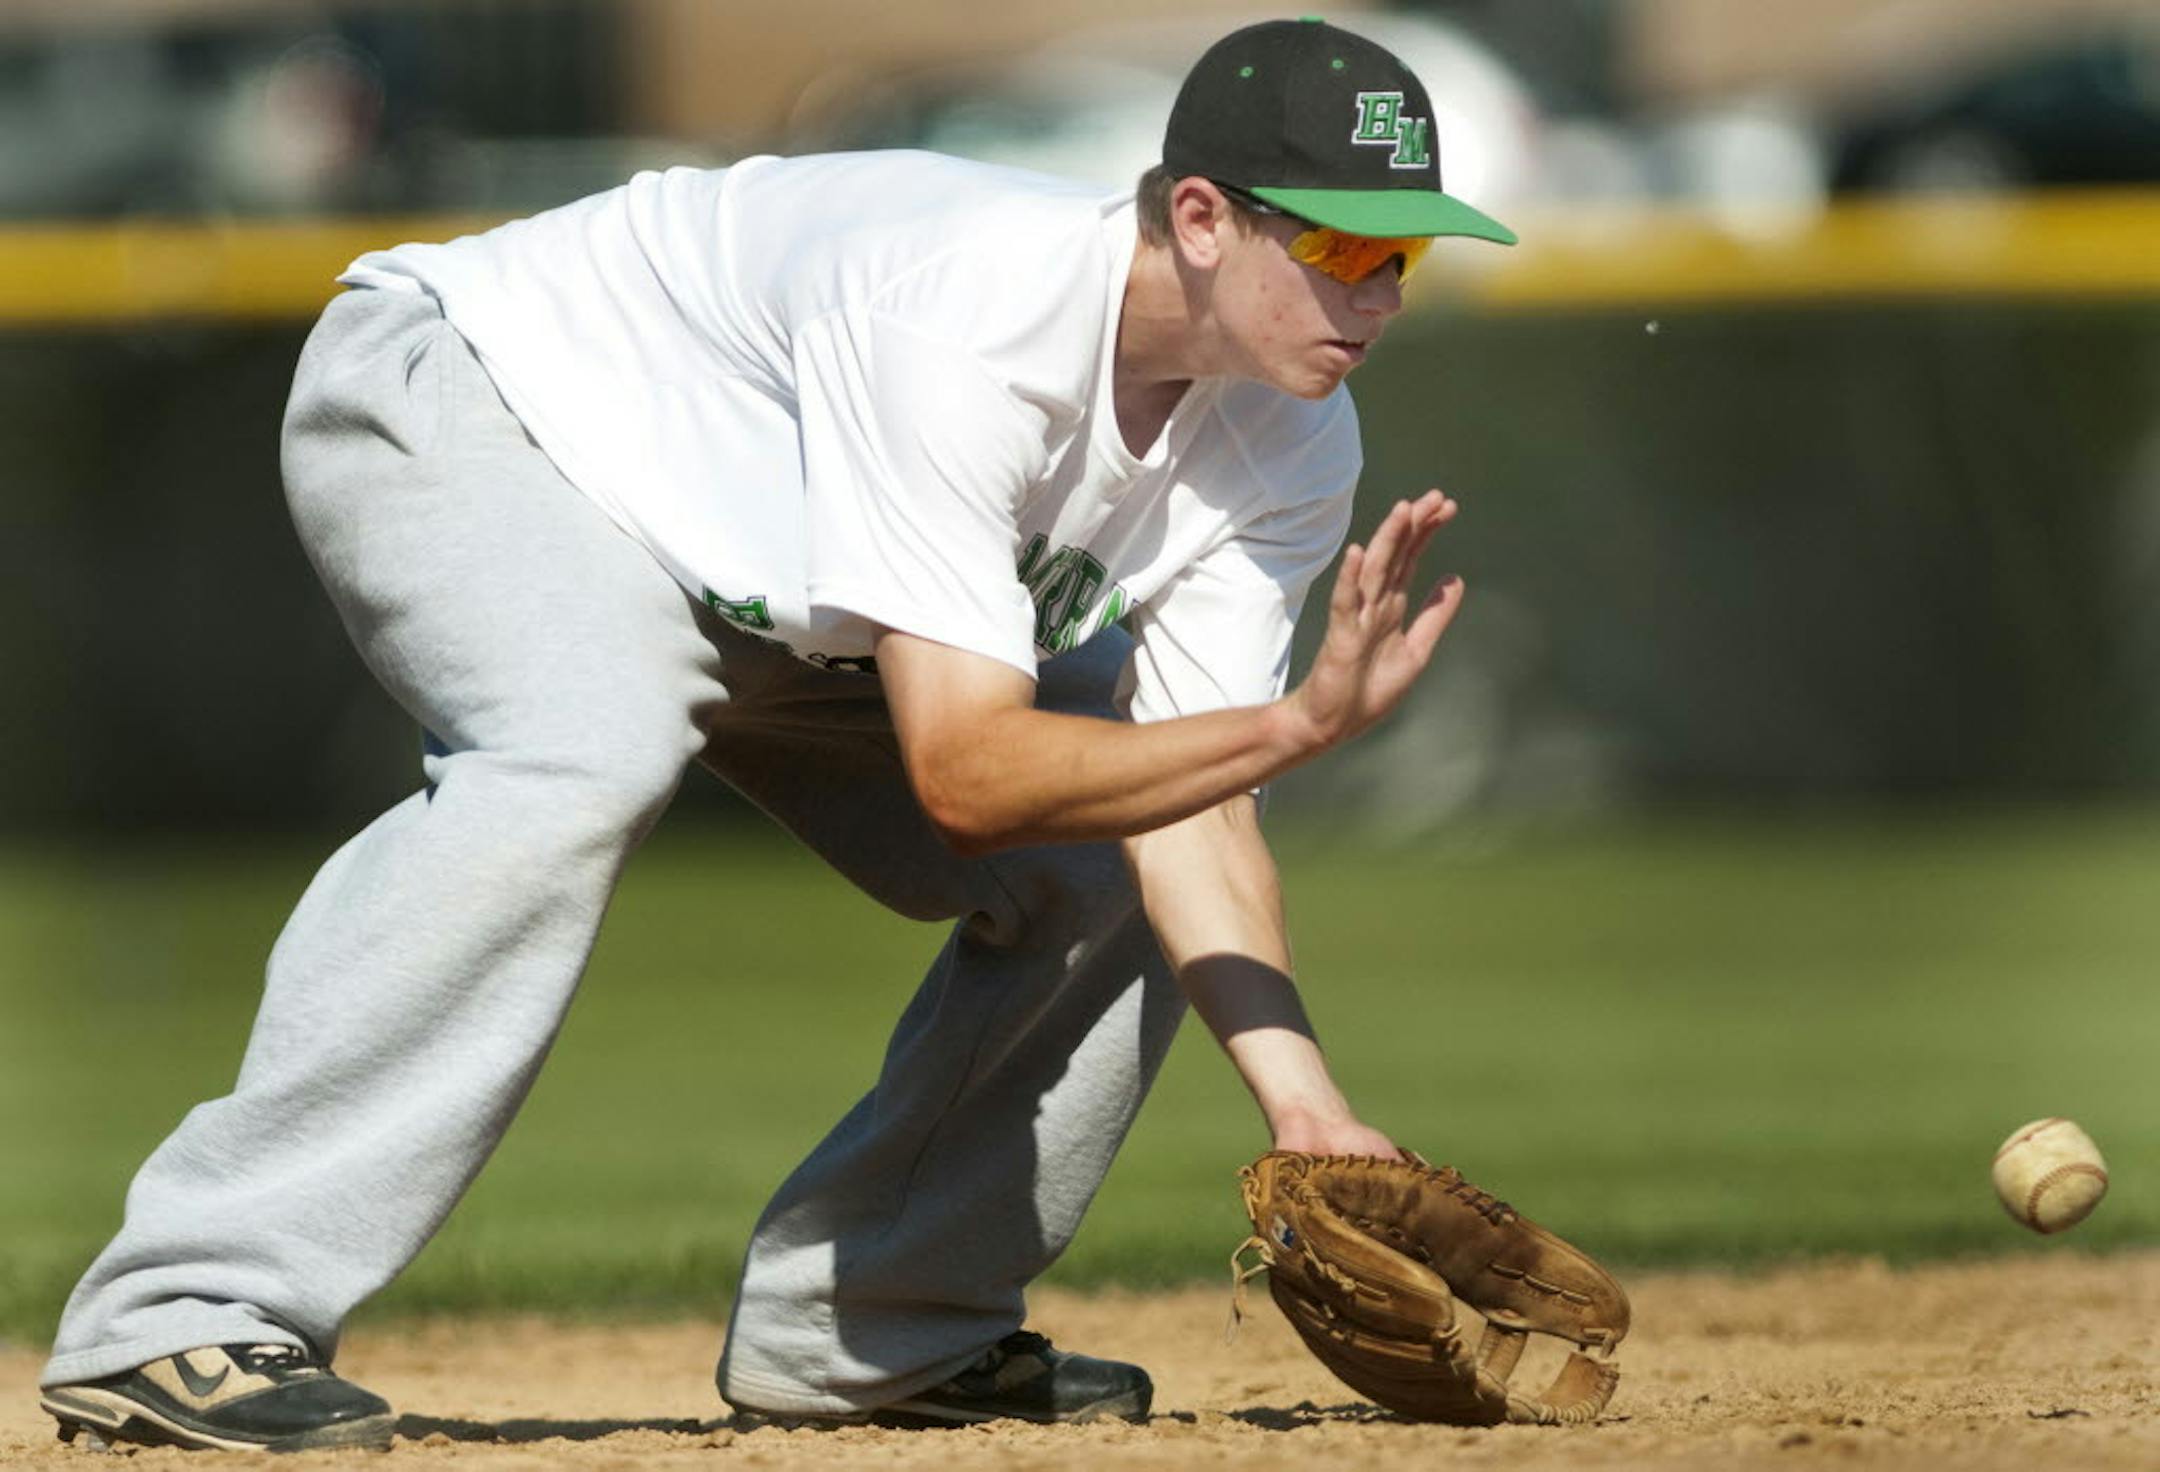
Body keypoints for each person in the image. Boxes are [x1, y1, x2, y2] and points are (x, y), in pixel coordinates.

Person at [37, 16, 1516, 1453]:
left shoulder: (1293, 436)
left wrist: (1305, 1104)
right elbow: (968, 776)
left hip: (776, 577)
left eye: (1404, 251)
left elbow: (1190, 802)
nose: (1375, 291)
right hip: (496, 407)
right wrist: (1297, 721)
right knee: (581, 749)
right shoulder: (970, 314)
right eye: (1334, 243)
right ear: (1200, 216)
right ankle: (179, 1311)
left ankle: (870, 1325)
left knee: (1108, 846)